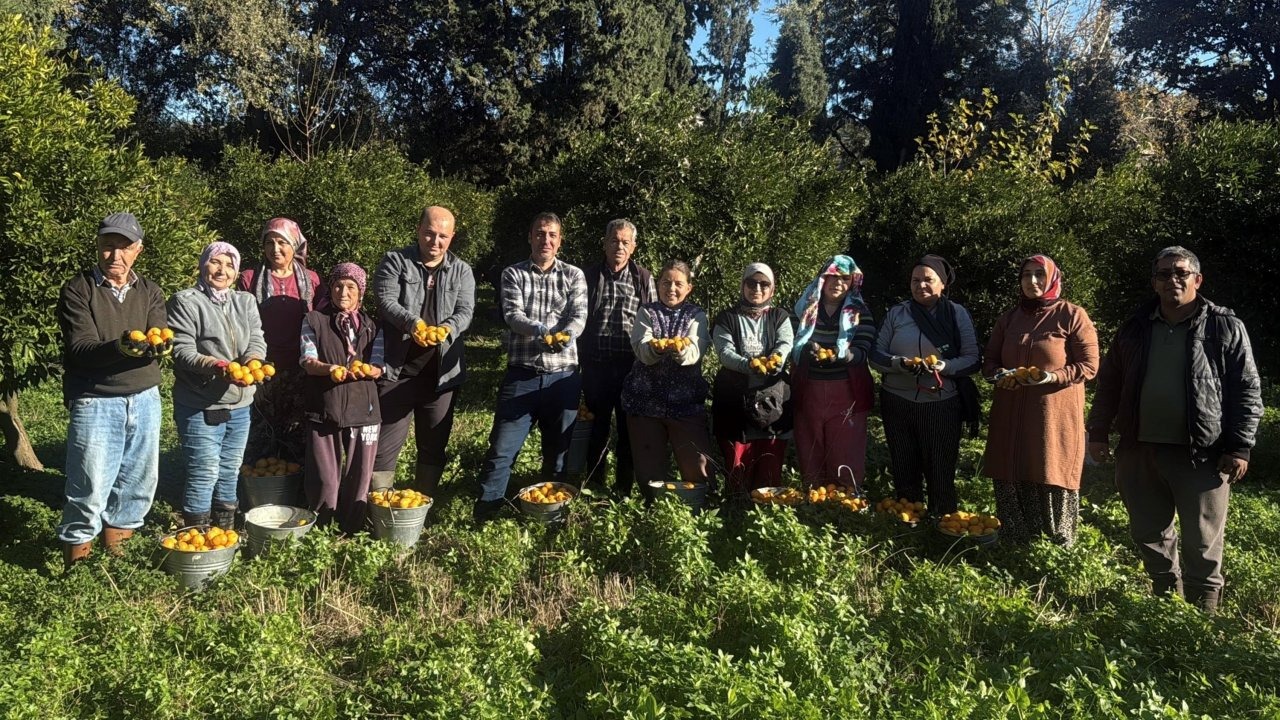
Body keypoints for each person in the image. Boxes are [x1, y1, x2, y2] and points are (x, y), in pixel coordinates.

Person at [1087, 246, 1261, 612]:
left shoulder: (1224, 326)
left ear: (1198, 280)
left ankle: (1203, 620)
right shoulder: (1135, 327)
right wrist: (1098, 432)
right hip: (1139, 448)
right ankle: (1168, 606)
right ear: (1154, 282)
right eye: (1164, 274)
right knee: (1149, 533)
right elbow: (1110, 384)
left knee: (1202, 542)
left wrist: (1240, 445)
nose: (1173, 280)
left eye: (1181, 272)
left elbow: (1246, 387)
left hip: (1202, 453)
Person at [55, 212, 168, 566]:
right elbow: (80, 349)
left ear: (138, 250)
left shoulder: (149, 291)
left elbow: (158, 334)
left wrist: (161, 347)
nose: (114, 256)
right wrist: (121, 347)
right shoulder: (78, 289)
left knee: (137, 483)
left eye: (123, 248)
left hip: (145, 398)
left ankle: (117, 559)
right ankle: (78, 569)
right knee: (89, 486)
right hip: (96, 399)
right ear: (98, 247)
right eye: (107, 247)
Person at [475, 212, 588, 522]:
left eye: (552, 235)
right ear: (530, 237)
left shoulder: (574, 275)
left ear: (560, 240)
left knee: (558, 452)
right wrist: (543, 331)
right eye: (540, 233)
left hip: (563, 376)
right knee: (501, 448)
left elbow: (578, 318)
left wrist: (564, 337)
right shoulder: (513, 274)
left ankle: (552, 513)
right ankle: (487, 512)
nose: (546, 240)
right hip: (522, 372)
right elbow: (512, 315)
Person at [982, 254, 1098, 545]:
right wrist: (1000, 375)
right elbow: (989, 362)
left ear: (1052, 279)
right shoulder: (1009, 319)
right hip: (1010, 412)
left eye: (1039, 275)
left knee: (1049, 466)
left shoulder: (1071, 315)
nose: (1031, 281)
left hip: (1051, 415)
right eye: (1025, 275)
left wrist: (1052, 377)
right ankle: (1015, 538)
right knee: (1011, 466)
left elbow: (1089, 366)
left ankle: (1055, 543)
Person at [372, 206, 476, 494]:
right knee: (384, 445)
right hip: (398, 371)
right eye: (429, 234)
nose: (435, 241)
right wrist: (413, 324)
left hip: (441, 376)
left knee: (433, 444)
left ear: (452, 237)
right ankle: (379, 505)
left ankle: (422, 505)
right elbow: (386, 300)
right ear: (418, 230)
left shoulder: (462, 271)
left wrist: (446, 329)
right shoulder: (395, 261)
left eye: (443, 236)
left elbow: (465, 311)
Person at [869, 255, 980, 516]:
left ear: (943, 284)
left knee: (940, 467)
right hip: (897, 400)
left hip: (940, 402)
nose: (921, 285)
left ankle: (943, 522)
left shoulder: (956, 314)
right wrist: (900, 363)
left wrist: (945, 366)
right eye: (915, 280)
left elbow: (973, 358)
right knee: (903, 464)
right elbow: (876, 355)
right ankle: (909, 521)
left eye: (928, 280)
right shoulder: (897, 313)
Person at [167, 242, 268, 529]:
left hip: (240, 401)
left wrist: (254, 360)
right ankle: (196, 531)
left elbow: (256, 338)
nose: (222, 270)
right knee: (204, 469)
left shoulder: (245, 301)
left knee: (230, 467)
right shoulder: (185, 301)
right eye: (216, 262)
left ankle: (224, 528)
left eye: (229, 265)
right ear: (203, 265)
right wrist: (217, 366)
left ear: (236, 273)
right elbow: (181, 350)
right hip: (201, 400)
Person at [300, 263, 385, 533]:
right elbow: (307, 359)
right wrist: (329, 369)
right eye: (338, 285)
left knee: (360, 475)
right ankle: (322, 531)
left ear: (361, 292)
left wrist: (374, 369)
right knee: (325, 478)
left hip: (364, 406)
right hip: (325, 405)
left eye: (351, 286)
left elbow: (379, 362)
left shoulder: (372, 325)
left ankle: (351, 528)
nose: (343, 292)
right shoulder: (314, 319)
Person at [621, 260, 716, 492]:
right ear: (658, 285)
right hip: (645, 403)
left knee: (697, 468)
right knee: (649, 473)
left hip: (685, 404)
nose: (671, 288)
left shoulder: (697, 315)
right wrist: (656, 348)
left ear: (688, 288)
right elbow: (641, 349)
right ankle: (654, 513)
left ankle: (698, 510)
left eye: (678, 283)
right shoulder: (647, 312)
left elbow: (695, 351)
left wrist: (679, 350)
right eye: (666, 282)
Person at [578, 219, 656, 496]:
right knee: (596, 427)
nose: (619, 246)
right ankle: (595, 484)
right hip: (596, 365)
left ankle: (624, 488)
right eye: (614, 240)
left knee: (628, 430)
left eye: (625, 242)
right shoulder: (588, 276)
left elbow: (653, 321)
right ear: (605, 243)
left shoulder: (643, 278)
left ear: (633, 247)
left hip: (630, 368)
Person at [238, 217, 326, 463]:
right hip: (261, 368)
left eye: (282, 243)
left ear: (295, 246)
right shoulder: (249, 278)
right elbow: (241, 324)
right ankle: (259, 493)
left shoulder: (313, 280)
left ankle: (295, 494)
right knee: (261, 433)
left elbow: (322, 323)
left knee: (296, 433)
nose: (275, 249)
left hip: (300, 368)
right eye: (269, 242)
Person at [790, 255, 877, 491]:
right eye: (832, 277)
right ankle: (814, 498)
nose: (837, 283)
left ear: (852, 282)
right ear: (822, 279)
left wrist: (850, 356)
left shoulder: (860, 312)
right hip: (809, 387)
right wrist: (805, 350)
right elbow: (789, 341)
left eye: (844, 278)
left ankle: (846, 500)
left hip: (846, 389)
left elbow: (864, 346)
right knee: (810, 444)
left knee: (845, 447)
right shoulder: (804, 310)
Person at [711, 263, 794, 496]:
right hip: (734, 400)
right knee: (737, 464)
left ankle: (765, 513)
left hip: (773, 400)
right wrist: (748, 364)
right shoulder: (727, 318)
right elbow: (724, 353)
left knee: (770, 462)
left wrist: (776, 359)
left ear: (772, 289)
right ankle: (736, 510)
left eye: (764, 284)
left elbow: (785, 343)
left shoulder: (780, 316)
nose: (757, 288)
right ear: (742, 286)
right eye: (751, 283)